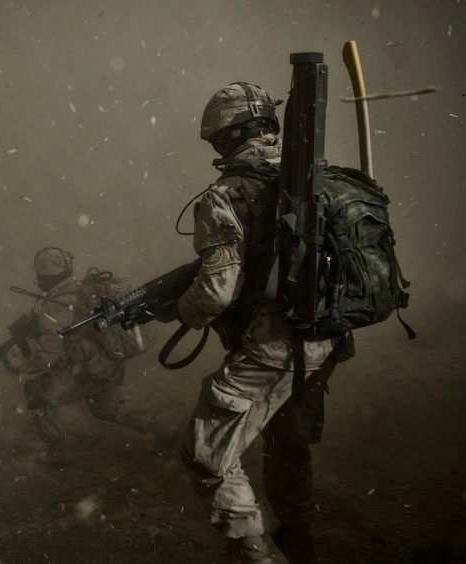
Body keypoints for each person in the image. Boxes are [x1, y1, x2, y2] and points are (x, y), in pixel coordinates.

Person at [159, 83, 354, 563]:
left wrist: (175, 310)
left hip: (273, 345)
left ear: (233, 134)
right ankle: (298, 539)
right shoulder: (317, 177)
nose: (216, 149)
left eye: (217, 139)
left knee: (206, 453)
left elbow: (216, 291)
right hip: (324, 337)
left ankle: (257, 557)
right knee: (286, 440)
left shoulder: (227, 194)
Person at [6, 247, 177, 464]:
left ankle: (57, 451)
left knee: (35, 393)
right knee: (108, 410)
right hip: (108, 364)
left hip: (87, 369)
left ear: (44, 274)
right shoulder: (80, 290)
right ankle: (163, 431)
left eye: (39, 273)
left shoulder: (56, 305)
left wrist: (19, 364)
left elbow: (48, 355)